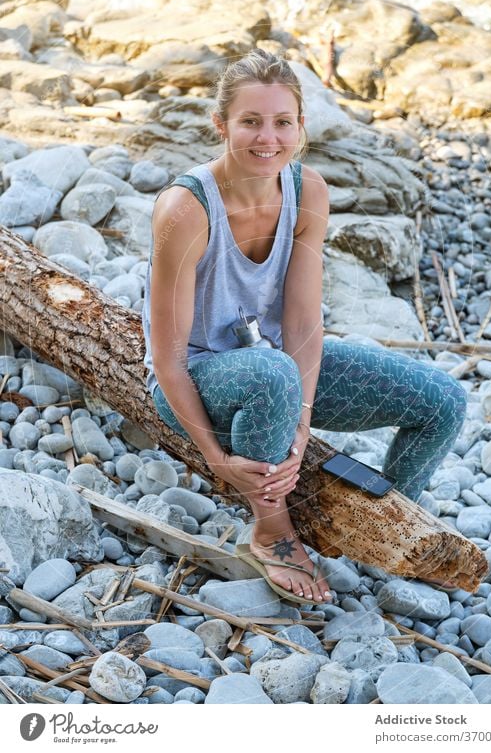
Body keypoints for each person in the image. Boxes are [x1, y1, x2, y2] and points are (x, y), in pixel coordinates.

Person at [142, 48, 467, 605]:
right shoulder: (185, 209)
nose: (267, 139)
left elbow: (301, 316)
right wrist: (219, 462)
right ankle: (271, 532)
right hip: (198, 381)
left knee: (443, 401)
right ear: (220, 125)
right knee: (272, 373)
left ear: (300, 126)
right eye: (250, 121)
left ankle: (386, 526)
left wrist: (302, 421)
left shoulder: (307, 190)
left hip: (272, 369)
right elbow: (167, 360)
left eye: (282, 122)